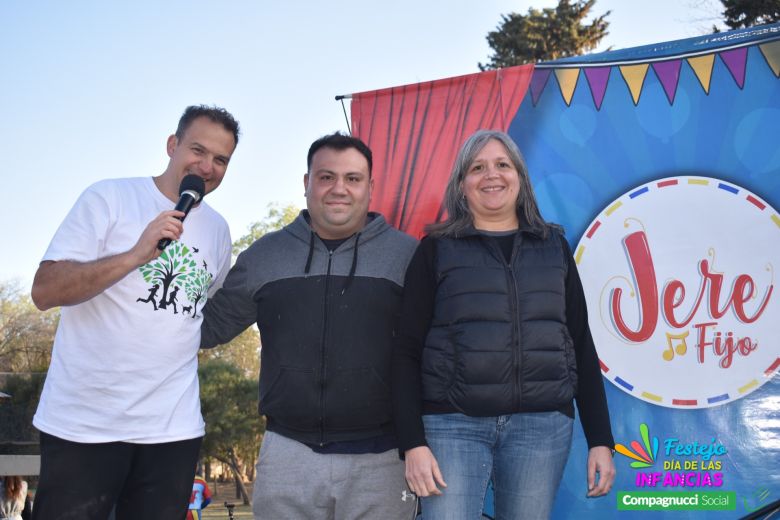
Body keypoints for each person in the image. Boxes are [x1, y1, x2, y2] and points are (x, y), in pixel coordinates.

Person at [29, 105, 240, 520]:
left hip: (173, 432)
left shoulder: (218, 230)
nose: (208, 166)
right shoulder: (109, 197)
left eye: (221, 159)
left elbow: (198, 311)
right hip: (84, 426)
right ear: (171, 145)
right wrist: (134, 255)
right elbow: (44, 290)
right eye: (198, 150)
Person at [392, 130, 616, 519]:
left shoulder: (553, 247)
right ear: (462, 184)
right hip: (451, 427)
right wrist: (412, 442)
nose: (491, 175)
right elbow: (406, 348)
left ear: (520, 176)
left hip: (540, 428)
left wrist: (601, 440)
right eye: (477, 167)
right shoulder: (436, 250)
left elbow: (580, 343)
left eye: (502, 164)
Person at [200, 132, 418, 520]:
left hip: (383, 458)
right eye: (326, 177)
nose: (339, 189)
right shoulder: (266, 255)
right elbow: (205, 328)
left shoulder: (408, 256)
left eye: (353, 178)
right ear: (306, 184)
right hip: (287, 454)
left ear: (370, 187)